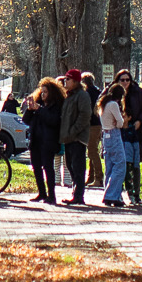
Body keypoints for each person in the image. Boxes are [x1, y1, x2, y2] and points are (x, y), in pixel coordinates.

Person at [23, 76, 65, 204]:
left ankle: (51, 195)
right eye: (41, 92)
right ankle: (41, 192)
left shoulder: (56, 106)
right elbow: (25, 120)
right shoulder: (38, 104)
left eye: (45, 92)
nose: (43, 94)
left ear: (51, 93)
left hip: (48, 141)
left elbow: (53, 120)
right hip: (36, 140)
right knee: (36, 167)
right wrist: (30, 109)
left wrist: (39, 110)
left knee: (48, 167)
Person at [58, 69, 97, 205]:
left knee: (78, 167)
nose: (65, 81)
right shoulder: (68, 96)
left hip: (77, 138)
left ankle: (79, 196)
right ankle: (75, 193)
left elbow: (85, 115)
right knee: (70, 165)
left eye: (68, 79)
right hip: (68, 137)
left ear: (75, 81)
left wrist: (73, 131)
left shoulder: (82, 95)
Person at [118, 70, 142, 206]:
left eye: (127, 79)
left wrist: (140, 121)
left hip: (136, 133)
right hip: (119, 132)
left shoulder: (138, 92)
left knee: (135, 165)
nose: (125, 82)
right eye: (122, 80)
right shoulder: (113, 92)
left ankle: (135, 194)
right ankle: (118, 193)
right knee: (121, 165)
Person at [99, 77, 131, 207]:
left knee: (110, 166)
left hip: (106, 135)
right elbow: (120, 123)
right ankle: (111, 195)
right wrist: (123, 120)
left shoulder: (104, 104)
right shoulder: (113, 104)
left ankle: (111, 194)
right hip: (114, 134)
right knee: (120, 165)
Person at [81, 71, 105, 187]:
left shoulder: (87, 93)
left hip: (92, 125)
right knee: (92, 150)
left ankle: (99, 178)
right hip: (99, 124)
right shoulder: (98, 91)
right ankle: (91, 177)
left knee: (92, 151)